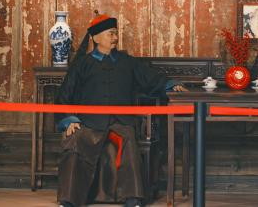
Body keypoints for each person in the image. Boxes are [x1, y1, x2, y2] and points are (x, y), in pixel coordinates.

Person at [55, 12, 187, 207]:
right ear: (96, 38)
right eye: (110, 34)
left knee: (129, 140)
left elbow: (151, 79)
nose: (115, 38)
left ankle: (133, 198)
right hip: (89, 122)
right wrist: (69, 120)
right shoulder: (82, 64)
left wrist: (170, 85)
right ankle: (69, 200)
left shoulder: (128, 62)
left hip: (121, 121)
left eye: (116, 33)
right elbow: (65, 95)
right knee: (75, 141)